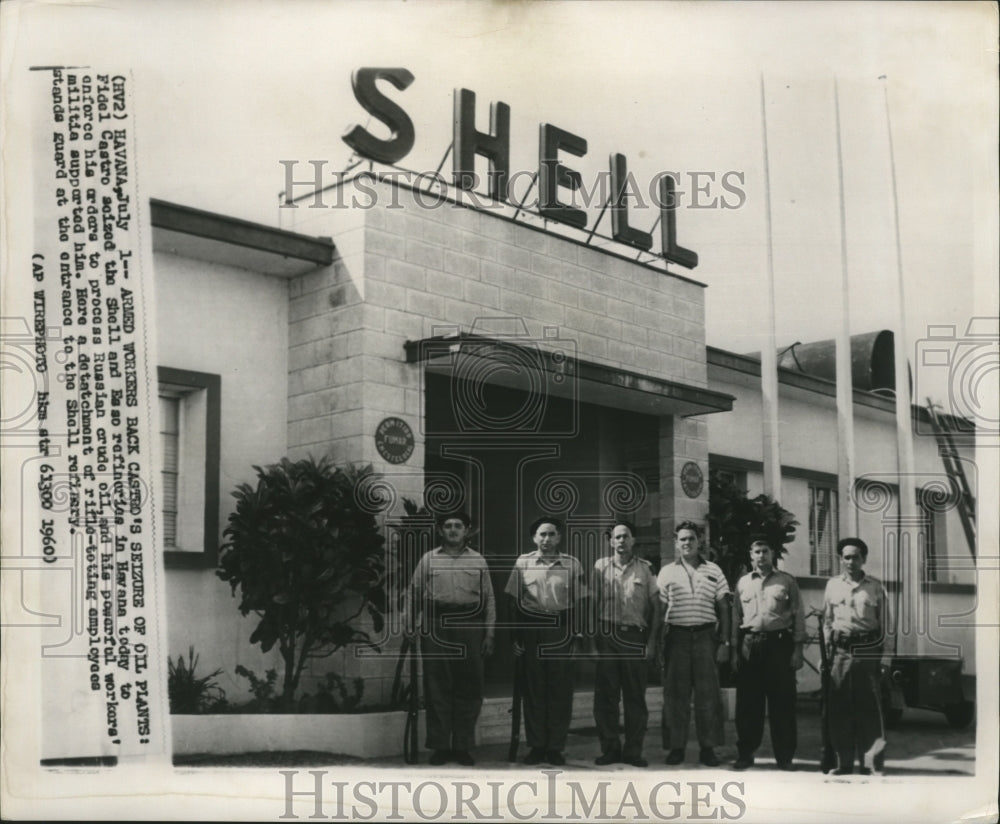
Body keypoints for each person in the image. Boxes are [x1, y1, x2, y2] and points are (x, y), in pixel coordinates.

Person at [403, 511, 495, 766]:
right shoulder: (428, 560)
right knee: (437, 685)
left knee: (470, 685)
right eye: (448, 526)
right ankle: (441, 746)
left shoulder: (478, 561)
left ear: (467, 530)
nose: (453, 530)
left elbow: (489, 599)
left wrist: (490, 633)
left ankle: (462, 745)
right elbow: (413, 594)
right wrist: (409, 624)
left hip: (470, 626)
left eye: (458, 526)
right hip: (436, 626)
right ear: (440, 530)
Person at [504, 516, 586, 766]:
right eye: (542, 534)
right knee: (534, 691)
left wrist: (577, 636)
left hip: (560, 631)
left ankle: (555, 747)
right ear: (534, 537)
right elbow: (512, 601)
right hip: (532, 632)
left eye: (552, 534)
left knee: (560, 692)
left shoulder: (572, 565)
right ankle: (537, 745)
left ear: (559, 537)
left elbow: (580, 602)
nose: (546, 539)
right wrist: (515, 636)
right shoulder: (523, 563)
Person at [656, 520, 731, 766]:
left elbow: (724, 608)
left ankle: (708, 748)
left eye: (691, 539)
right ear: (676, 544)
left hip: (705, 637)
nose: (687, 543)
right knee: (675, 696)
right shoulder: (667, 572)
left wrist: (725, 643)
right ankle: (676, 747)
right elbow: (660, 608)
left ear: (700, 542)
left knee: (708, 695)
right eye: (682, 540)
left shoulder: (714, 570)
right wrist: (656, 642)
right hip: (676, 637)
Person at [730, 537, 806, 771]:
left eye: (765, 551)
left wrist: (798, 649)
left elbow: (798, 615)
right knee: (748, 705)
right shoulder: (743, 583)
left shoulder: (787, 581)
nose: (761, 556)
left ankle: (784, 757)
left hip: (779, 646)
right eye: (756, 552)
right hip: (749, 646)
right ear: (750, 556)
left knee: (782, 703)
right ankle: (745, 754)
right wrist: (734, 651)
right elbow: (735, 618)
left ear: (773, 554)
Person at [591, 520, 662, 767]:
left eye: (625, 536)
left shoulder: (645, 569)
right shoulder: (600, 568)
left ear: (633, 540)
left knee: (635, 697)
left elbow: (656, 608)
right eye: (616, 537)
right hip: (607, 636)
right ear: (611, 541)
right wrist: (592, 643)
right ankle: (610, 749)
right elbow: (592, 606)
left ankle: (633, 751)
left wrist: (651, 643)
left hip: (634, 637)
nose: (621, 541)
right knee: (606, 697)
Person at [822, 537, 889, 776]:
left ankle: (871, 764)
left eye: (856, 557)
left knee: (869, 708)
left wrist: (885, 659)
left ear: (864, 559)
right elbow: (827, 622)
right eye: (846, 557)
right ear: (841, 560)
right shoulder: (832, 586)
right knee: (840, 707)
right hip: (840, 652)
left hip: (866, 651)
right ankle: (844, 763)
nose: (851, 561)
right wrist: (827, 654)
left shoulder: (875, 587)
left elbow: (886, 626)